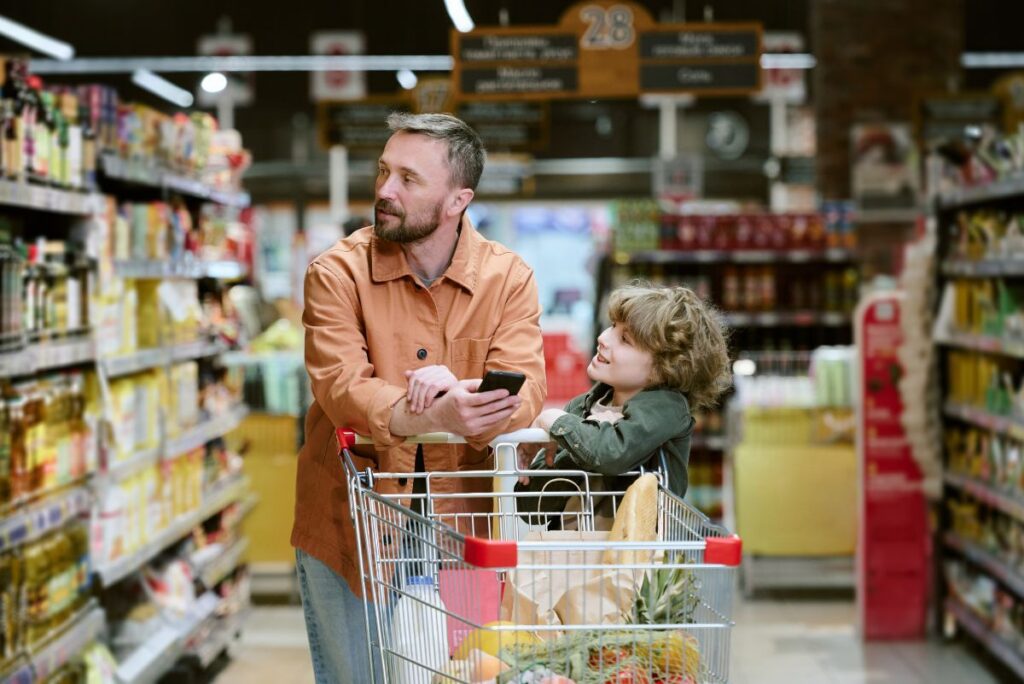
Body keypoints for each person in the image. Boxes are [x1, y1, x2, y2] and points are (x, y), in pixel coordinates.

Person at [292, 112, 547, 683]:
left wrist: (471, 401)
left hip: (467, 526)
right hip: (352, 526)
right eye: (384, 171)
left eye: (408, 178)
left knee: (467, 675)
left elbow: (526, 386)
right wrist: (433, 412)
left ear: (458, 200)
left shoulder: (508, 278)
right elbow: (342, 387)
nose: (385, 190)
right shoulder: (337, 274)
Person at [518, 283, 730, 527]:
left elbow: (610, 453)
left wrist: (555, 422)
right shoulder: (583, 407)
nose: (603, 338)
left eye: (625, 339)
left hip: (635, 558)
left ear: (665, 368)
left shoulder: (668, 409)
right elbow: (529, 508)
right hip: (569, 555)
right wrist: (543, 465)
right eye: (612, 326)